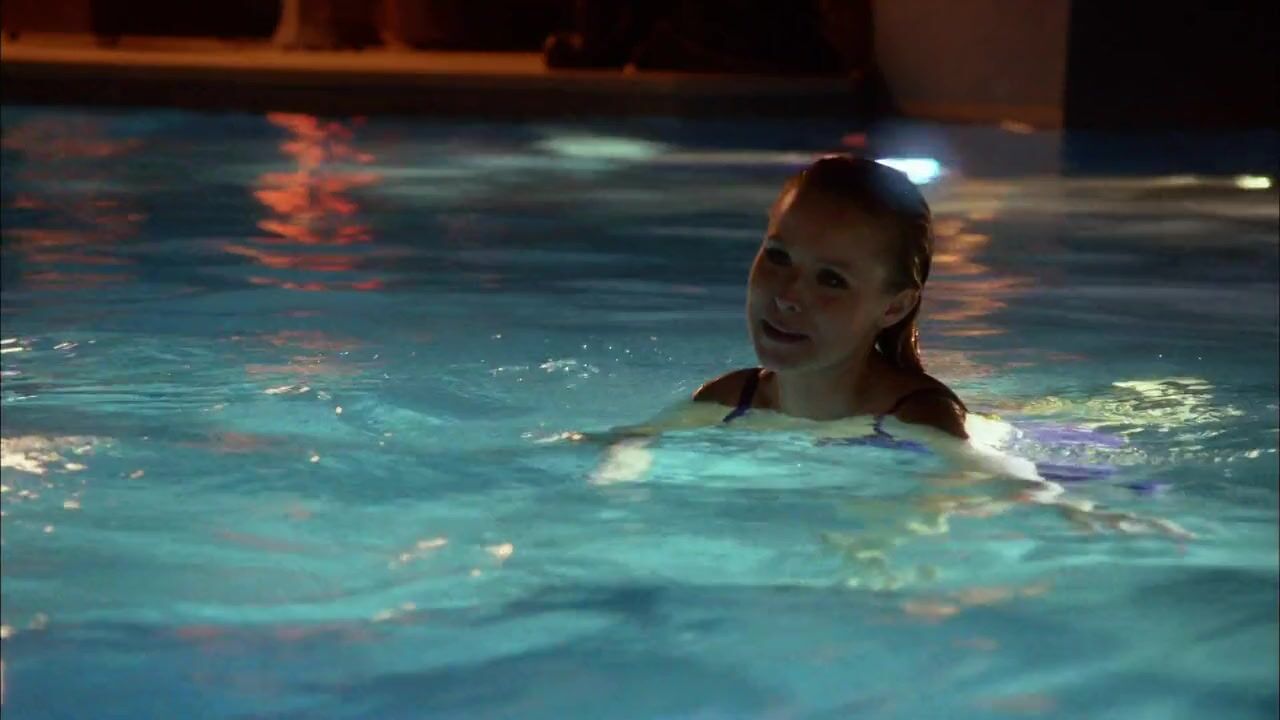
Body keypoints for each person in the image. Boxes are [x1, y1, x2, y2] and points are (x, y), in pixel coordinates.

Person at [694, 154, 965, 439]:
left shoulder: (922, 424)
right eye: (778, 256)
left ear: (894, 308)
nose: (787, 297)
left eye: (831, 279)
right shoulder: (724, 402)